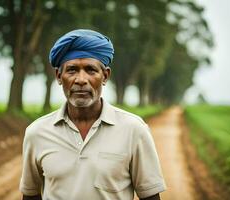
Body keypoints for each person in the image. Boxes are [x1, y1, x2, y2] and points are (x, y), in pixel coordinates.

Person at [19, 29, 166, 200]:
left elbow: (150, 197)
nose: (81, 80)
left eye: (90, 70)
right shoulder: (37, 132)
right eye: (72, 70)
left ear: (105, 76)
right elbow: (30, 195)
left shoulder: (133, 129)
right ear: (59, 77)